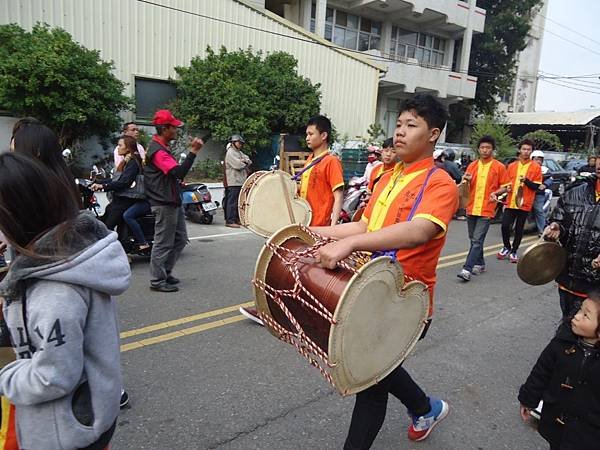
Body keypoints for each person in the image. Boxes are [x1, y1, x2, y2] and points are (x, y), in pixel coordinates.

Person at [312, 94, 458, 448]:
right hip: (370, 293)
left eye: (412, 126)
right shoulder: (389, 177)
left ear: (433, 134)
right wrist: (317, 233)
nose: (400, 132)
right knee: (381, 372)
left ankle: (424, 409)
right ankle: (426, 407)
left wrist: (350, 245)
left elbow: (420, 229)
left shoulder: (440, 183)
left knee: (370, 384)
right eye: (399, 124)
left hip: (406, 303)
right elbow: (364, 225)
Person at [0, 153, 130, 450]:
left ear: (14, 217)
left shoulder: (54, 293)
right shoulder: (68, 258)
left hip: (66, 430)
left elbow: (54, 377)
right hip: (89, 415)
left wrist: (5, 377)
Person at [239, 115, 344, 325]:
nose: (307, 137)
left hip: (319, 228)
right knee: (291, 269)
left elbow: (338, 194)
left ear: (323, 136)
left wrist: (332, 230)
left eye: (311, 133)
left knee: (295, 270)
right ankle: (275, 310)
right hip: (304, 226)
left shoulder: (331, 161)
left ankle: (273, 313)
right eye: (306, 133)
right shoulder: (310, 160)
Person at [518, 292, 600, 450]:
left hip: (589, 433)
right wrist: (528, 399)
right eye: (579, 310)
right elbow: (541, 372)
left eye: (585, 315)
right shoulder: (562, 341)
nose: (576, 316)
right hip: (556, 421)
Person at [144, 109, 203, 293]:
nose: (176, 131)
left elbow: (171, 174)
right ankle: (157, 280)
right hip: (164, 202)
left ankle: (165, 272)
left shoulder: (161, 148)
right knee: (163, 242)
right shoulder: (158, 151)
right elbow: (178, 172)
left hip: (170, 199)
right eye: (174, 127)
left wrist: (175, 180)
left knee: (179, 239)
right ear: (164, 129)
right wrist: (193, 151)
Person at [544, 156, 600, 319]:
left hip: (596, 286)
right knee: (570, 320)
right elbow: (560, 220)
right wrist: (557, 228)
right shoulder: (575, 192)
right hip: (568, 277)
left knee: (587, 333)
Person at [457, 135, 508, 281]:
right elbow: (465, 187)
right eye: (482, 147)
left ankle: (467, 269)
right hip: (471, 207)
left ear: (492, 150)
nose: (485, 150)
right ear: (478, 149)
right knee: (473, 239)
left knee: (477, 240)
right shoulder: (472, 166)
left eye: (488, 148)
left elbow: (505, 187)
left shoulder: (499, 166)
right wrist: (465, 181)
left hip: (487, 208)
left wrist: (495, 193)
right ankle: (480, 262)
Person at [92, 136, 151, 254]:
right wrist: (97, 183)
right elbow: (116, 180)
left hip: (126, 200)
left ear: (128, 148)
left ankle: (109, 253)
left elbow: (124, 182)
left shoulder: (133, 163)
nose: (118, 148)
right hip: (120, 200)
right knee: (104, 219)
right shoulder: (126, 162)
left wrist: (103, 187)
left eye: (120, 145)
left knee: (108, 227)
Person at [493, 139, 542, 263]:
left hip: (524, 203)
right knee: (505, 226)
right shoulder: (512, 166)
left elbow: (536, 186)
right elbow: (506, 183)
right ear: (519, 150)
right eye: (524, 149)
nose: (526, 152)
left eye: (528, 150)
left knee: (519, 229)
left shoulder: (536, 167)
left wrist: (526, 181)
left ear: (531, 152)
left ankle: (514, 251)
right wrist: (505, 190)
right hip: (510, 201)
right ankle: (506, 247)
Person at [223, 134, 251, 228]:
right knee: (232, 201)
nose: (240, 144)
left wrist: (244, 161)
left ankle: (235, 219)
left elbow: (248, 160)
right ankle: (230, 220)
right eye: (239, 142)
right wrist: (244, 162)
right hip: (233, 181)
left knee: (238, 202)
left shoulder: (238, 152)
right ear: (233, 142)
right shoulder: (230, 152)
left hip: (239, 181)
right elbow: (238, 165)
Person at [530, 150, 551, 236]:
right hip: (526, 193)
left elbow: (550, 179)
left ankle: (542, 230)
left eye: (540, 159)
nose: (538, 161)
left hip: (538, 193)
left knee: (538, 210)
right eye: (536, 159)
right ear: (532, 159)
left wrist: (545, 184)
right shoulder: (527, 168)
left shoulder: (545, 170)